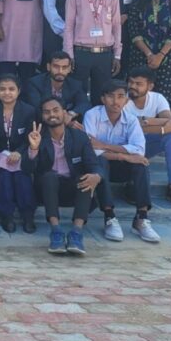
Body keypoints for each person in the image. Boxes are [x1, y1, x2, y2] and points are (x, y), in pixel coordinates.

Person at [82, 80, 158, 243]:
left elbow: (138, 150)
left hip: (122, 169)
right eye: (111, 96)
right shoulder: (92, 115)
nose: (115, 101)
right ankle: (109, 216)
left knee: (141, 164)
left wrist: (104, 146)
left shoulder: (131, 120)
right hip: (99, 166)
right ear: (103, 99)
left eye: (120, 96)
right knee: (100, 161)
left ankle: (141, 218)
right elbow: (90, 150)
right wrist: (124, 155)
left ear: (127, 100)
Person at [23, 98, 101, 255]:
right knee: (49, 176)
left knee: (86, 178)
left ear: (64, 113)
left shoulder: (79, 137)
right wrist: (33, 148)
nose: (52, 115)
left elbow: (94, 164)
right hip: (47, 190)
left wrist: (97, 176)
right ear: (42, 116)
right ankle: (56, 231)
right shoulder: (37, 136)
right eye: (47, 112)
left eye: (55, 110)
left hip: (72, 187)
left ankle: (76, 232)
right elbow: (27, 169)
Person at [126, 67, 171, 208]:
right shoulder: (123, 99)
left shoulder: (157, 98)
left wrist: (145, 121)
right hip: (127, 146)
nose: (133, 86)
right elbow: (130, 130)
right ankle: (132, 182)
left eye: (138, 84)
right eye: (131, 82)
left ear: (150, 86)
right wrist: (160, 127)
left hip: (146, 144)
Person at [0, 75, 38, 233]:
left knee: (21, 175)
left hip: (20, 153)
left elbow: (30, 138)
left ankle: (28, 215)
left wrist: (18, 152)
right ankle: (7, 215)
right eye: (3, 89)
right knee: (5, 174)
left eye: (11, 89)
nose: (7, 93)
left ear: (18, 91)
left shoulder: (28, 110)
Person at [64, 0, 122, 106]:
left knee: (102, 97)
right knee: (78, 95)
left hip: (105, 53)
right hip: (81, 52)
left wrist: (117, 55)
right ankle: (78, 121)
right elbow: (68, 26)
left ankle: (98, 121)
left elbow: (116, 26)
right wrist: (69, 55)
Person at [22, 51, 90, 126]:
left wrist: (70, 114)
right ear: (48, 67)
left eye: (64, 67)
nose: (60, 71)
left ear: (69, 69)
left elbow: (84, 104)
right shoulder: (35, 83)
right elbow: (37, 110)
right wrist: (63, 120)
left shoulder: (75, 84)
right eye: (56, 67)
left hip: (67, 124)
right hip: (43, 125)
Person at [106, 0, 141, 75]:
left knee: (125, 72)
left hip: (127, 37)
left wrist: (127, 16)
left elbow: (140, 11)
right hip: (107, 38)